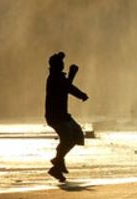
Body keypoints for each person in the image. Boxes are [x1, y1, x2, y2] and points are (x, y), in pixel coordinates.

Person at [45, 52, 88, 182]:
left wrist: (81, 94)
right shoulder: (53, 78)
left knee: (77, 134)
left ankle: (58, 160)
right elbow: (65, 87)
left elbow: (69, 87)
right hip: (55, 116)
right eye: (60, 63)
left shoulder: (59, 77)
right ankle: (57, 163)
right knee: (68, 138)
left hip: (62, 115)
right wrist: (72, 75)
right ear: (55, 65)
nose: (62, 64)